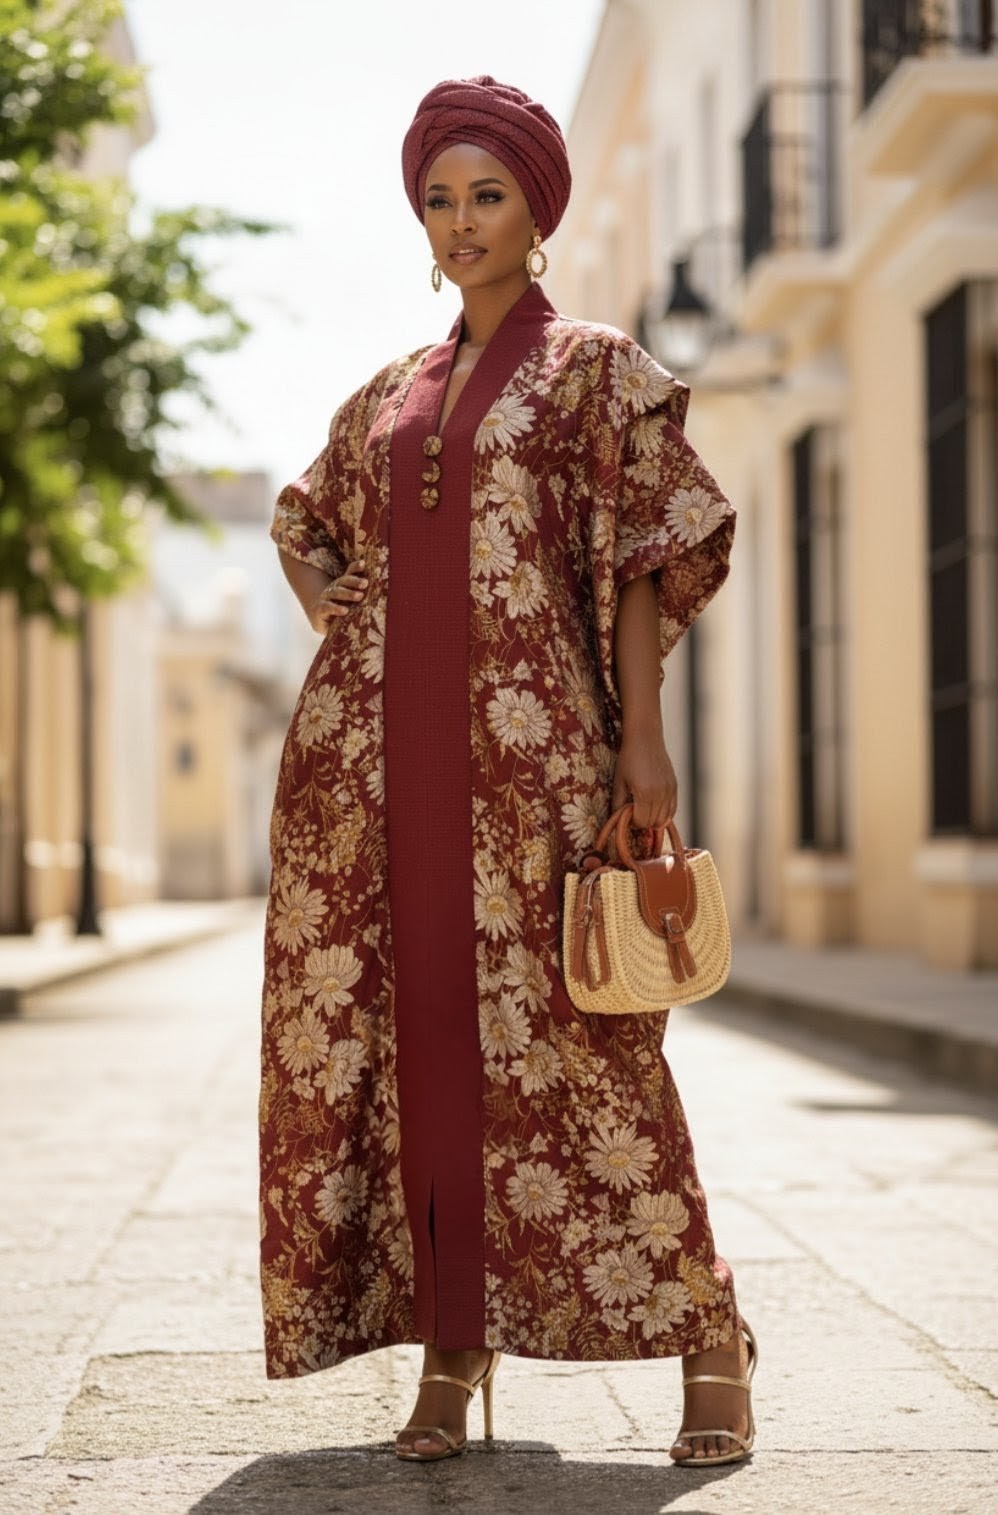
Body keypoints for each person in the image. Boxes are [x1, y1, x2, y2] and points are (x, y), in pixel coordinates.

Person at [260, 74, 756, 1470]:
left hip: (536, 766)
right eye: (437, 198)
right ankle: (450, 1347)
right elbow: (302, 520)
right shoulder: (386, 395)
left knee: (584, 1053)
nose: (460, 221)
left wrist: (641, 739)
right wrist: (338, 619)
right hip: (369, 783)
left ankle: (710, 1334)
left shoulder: (593, 368)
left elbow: (655, 551)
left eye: (486, 194)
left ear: (538, 206)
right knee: (407, 1055)